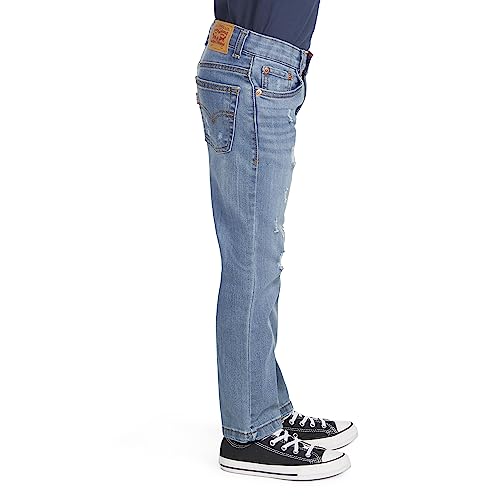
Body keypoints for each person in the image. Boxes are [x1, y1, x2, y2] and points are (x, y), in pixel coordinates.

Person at [195, 1, 358, 480]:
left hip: (257, 63)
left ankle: (266, 407)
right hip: (256, 68)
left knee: (259, 259)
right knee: (252, 262)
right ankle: (247, 434)